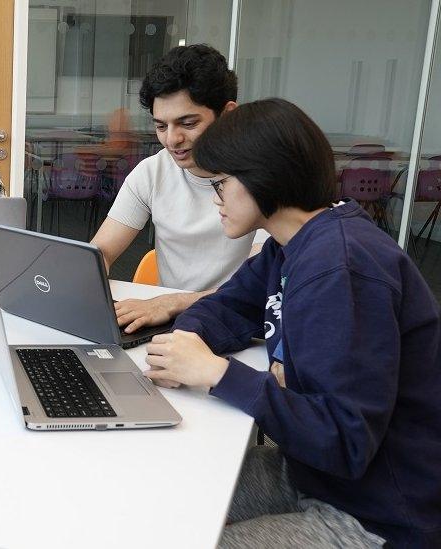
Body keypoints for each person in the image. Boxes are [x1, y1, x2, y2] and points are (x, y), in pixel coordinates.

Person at [144, 98, 441, 547]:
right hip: (311, 470)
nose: (216, 199)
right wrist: (185, 342)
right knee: (166, 498)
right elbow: (229, 305)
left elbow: (345, 441)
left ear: (263, 175)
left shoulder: (340, 268)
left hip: (374, 512)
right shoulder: (290, 246)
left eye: (221, 184)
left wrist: (217, 374)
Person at [90, 44, 253, 334]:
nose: (172, 139)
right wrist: (82, 292)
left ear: (227, 114)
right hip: (173, 325)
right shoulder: (152, 172)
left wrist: (174, 302)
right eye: (161, 126)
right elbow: (100, 252)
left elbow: (257, 286)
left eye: (187, 123)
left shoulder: (265, 178)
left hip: (241, 322)